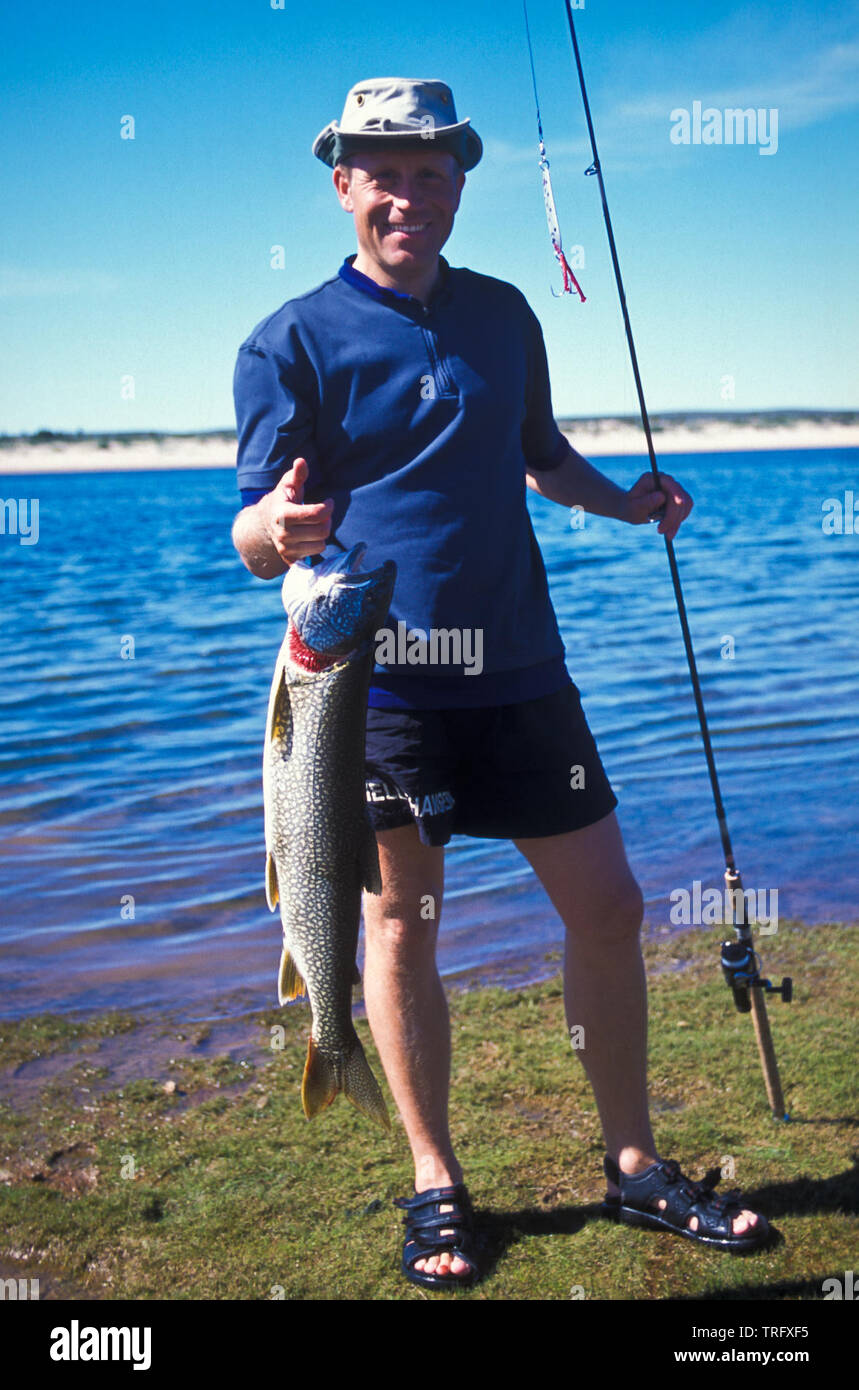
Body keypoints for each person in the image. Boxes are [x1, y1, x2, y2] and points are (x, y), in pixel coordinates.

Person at [231, 77, 770, 1290]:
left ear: (460, 187)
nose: (407, 195)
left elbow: (540, 457)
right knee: (399, 923)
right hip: (379, 687)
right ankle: (435, 1182)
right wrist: (277, 526)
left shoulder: (505, 314)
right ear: (343, 187)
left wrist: (624, 502)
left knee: (611, 905)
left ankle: (631, 1163)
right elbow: (253, 536)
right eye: (383, 172)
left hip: (522, 667)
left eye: (431, 173)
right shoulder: (291, 338)